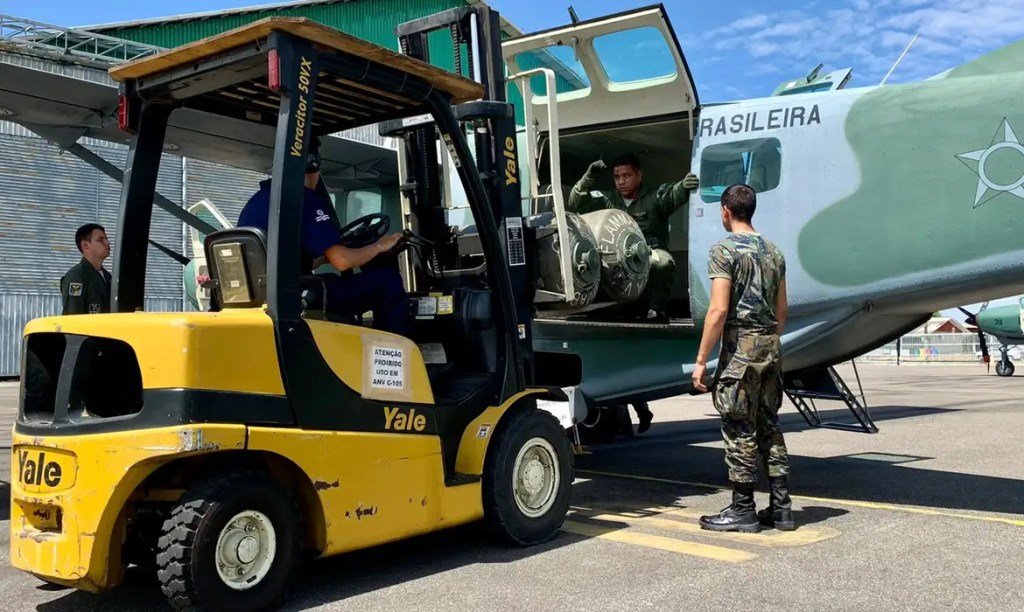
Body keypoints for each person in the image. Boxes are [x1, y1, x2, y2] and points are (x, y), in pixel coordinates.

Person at [691, 183, 793, 533]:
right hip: (770, 347)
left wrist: (702, 359)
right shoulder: (775, 252)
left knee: (739, 427)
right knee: (769, 425)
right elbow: (782, 310)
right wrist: (766, 340)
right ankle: (781, 508)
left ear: (726, 211)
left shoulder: (724, 250)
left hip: (741, 352)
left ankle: (743, 509)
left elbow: (718, 310)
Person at [236, 138, 408, 335]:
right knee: (387, 281)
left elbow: (283, 261)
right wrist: (379, 247)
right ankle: (394, 350)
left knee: (332, 280)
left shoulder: (258, 200)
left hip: (268, 294)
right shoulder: (302, 198)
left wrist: (326, 257)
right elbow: (342, 261)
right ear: (312, 166)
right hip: (296, 295)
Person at [567, 153, 699, 323]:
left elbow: (672, 194)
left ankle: (656, 309)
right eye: (617, 177)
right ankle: (613, 307)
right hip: (616, 255)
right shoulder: (607, 199)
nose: (621, 181)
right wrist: (589, 176)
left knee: (663, 263)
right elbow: (576, 201)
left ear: (639, 175)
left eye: (626, 176)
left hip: (648, 252)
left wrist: (683, 187)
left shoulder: (653, 197)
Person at [60, 223, 112, 315]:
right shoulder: (76, 276)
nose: (107, 243)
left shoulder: (109, 277)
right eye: (100, 239)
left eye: (106, 239)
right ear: (85, 245)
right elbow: (74, 315)